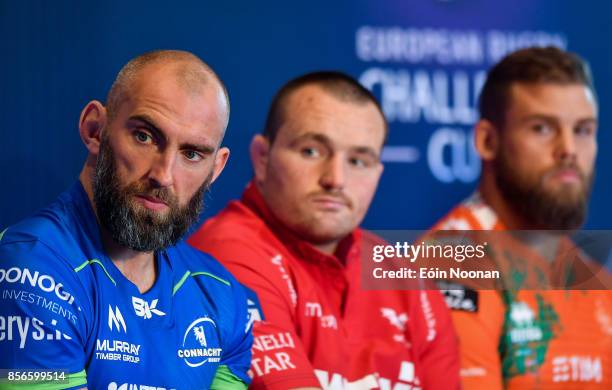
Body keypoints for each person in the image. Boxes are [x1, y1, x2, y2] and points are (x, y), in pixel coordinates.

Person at [189, 71, 461, 389]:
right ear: (262, 158)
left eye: (358, 161)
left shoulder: (406, 278)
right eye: (311, 151)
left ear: (378, 173)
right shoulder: (229, 254)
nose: (335, 179)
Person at [0, 50, 253, 389]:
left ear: (215, 169)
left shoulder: (222, 294)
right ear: (95, 129)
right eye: (145, 137)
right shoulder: (29, 270)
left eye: (191, 154)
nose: (163, 175)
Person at [431, 47, 612, 389]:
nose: (568, 149)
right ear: (487, 141)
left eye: (584, 130)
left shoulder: (598, 282)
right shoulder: (450, 263)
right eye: (543, 128)